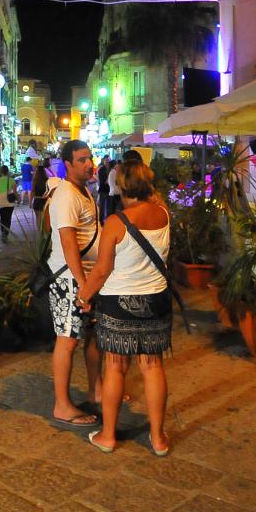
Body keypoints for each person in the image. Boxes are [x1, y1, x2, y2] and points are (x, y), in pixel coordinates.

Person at [77, 158, 172, 456]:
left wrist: (85, 295)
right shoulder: (164, 214)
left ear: (123, 186)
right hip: (155, 300)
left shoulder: (118, 221)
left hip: (118, 301)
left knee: (116, 366)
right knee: (152, 366)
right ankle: (158, 438)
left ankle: (108, 435)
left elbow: (103, 269)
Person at [46, 139, 101, 428]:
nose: (88, 163)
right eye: (81, 159)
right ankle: (62, 405)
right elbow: (68, 241)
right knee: (67, 340)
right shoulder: (67, 194)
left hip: (87, 277)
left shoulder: (85, 191)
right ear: (67, 164)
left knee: (92, 336)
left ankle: (96, 390)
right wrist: (82, 283)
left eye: (89, 158)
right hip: (70, 279)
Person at [0, 165, 17, 241]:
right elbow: (15, 192)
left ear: (1, 172)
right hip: (9, 201)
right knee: (8, 218)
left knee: (2, 218)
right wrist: (17, 199)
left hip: (1, 200)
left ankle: (2, 232)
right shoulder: (12, 180)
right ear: (7, 172)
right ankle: (6, 234)